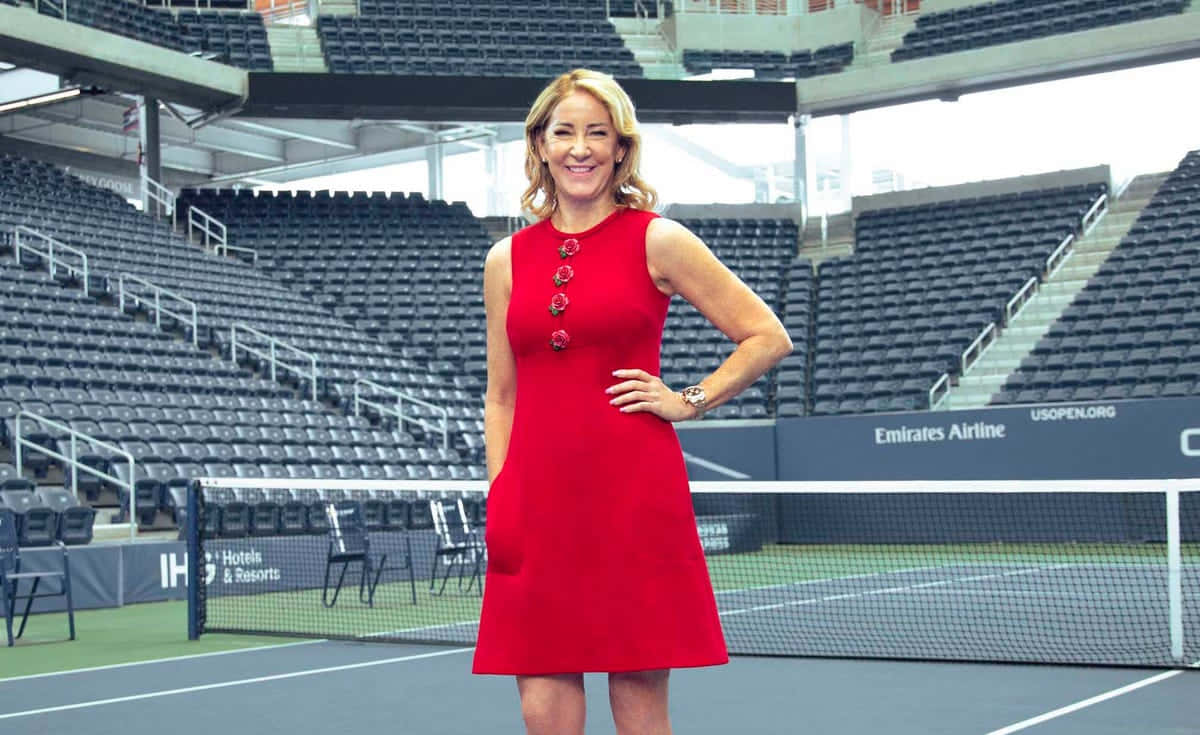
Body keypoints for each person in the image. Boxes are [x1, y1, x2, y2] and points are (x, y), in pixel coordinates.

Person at [474, 68, 793, 735]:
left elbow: (766, 336)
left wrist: (688, 400)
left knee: (640, 709)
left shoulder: (659, 239)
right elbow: (500, 396)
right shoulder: (504, 259)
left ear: (622, 148)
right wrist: (500, 490)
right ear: (539, 143)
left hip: (632, 494)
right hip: (535, 502)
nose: (581, 147)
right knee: (541, 709)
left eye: (599, 132)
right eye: (565, 131)